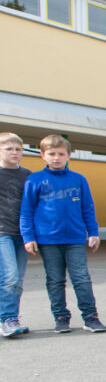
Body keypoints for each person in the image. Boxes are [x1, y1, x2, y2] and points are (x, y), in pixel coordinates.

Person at [20, 135, 106, 333]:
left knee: (81, 278)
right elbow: (26, 211)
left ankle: (91, 317)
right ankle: (60, 317)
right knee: (55, 279)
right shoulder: (34, 180)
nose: (56, 158)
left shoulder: (79, 180)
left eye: (61, 154)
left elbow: (88, 208)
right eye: (51, 154)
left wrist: (92, 232)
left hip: (75, 238)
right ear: (43, 155)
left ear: (68, 156)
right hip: (48, 240)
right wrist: (29, 237)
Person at [0, 132, 32, 338]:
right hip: (2, 233)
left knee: (17, 279)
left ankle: (13, 318)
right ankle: (7, 319)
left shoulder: (27, 175)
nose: (14, 153)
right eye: (8, 149)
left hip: (22, 233)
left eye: (18, 149)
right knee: (9, 276)